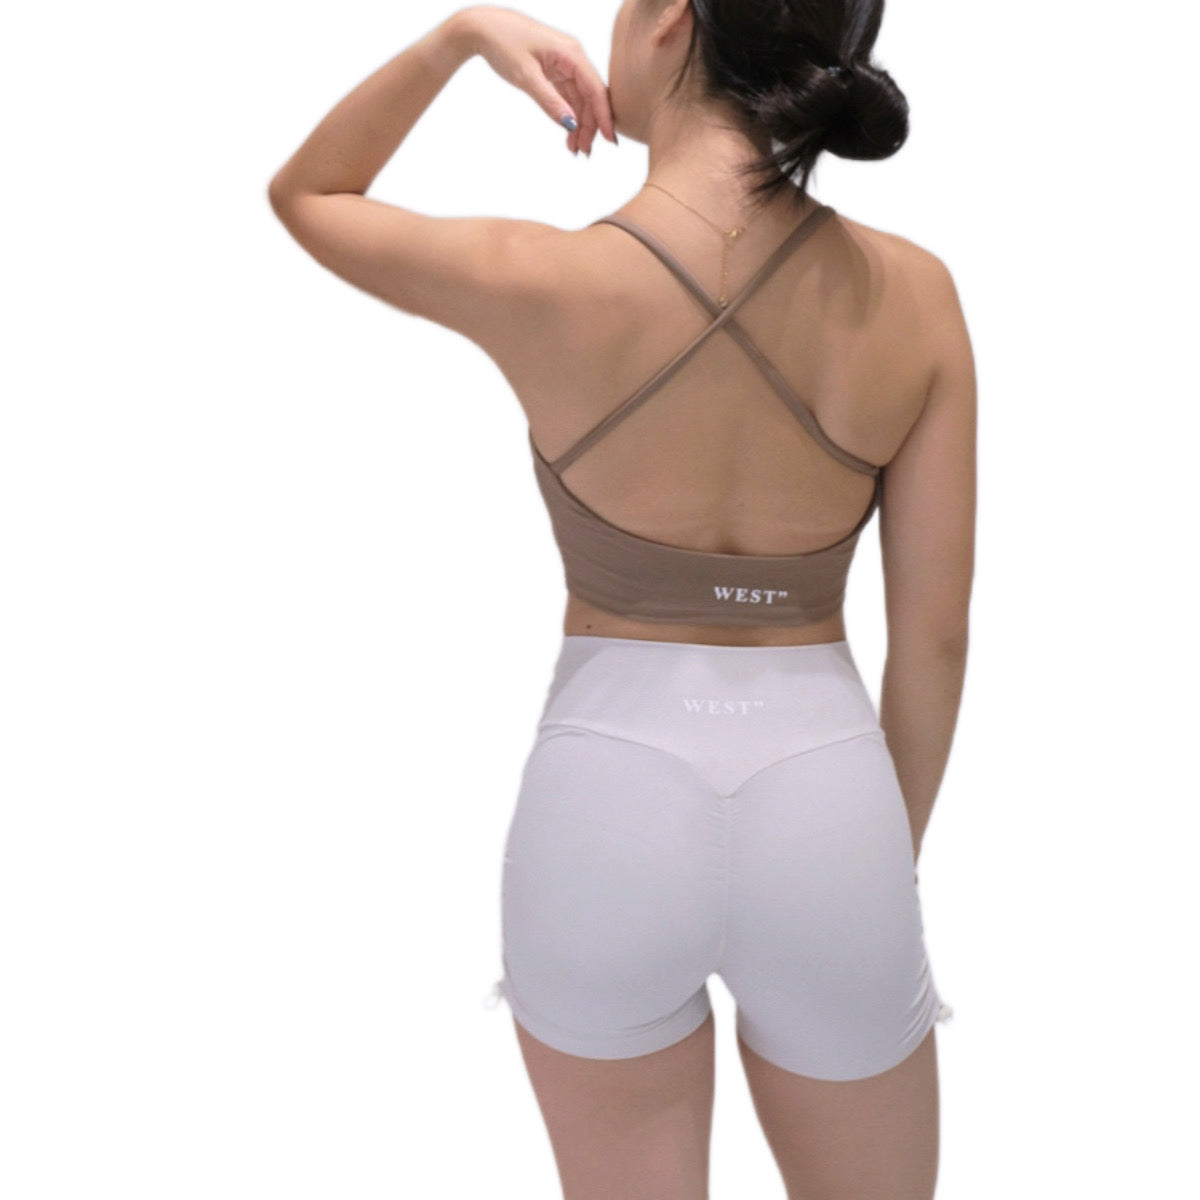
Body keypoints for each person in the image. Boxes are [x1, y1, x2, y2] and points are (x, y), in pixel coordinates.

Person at [268, 0, 975, 1195]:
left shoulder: (543, 276)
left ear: (669, 21)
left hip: (605, 801)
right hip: (831, 796)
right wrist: (862, 860)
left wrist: (459, 39)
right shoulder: (913, 295)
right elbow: (937, 639)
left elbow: (310, 194)